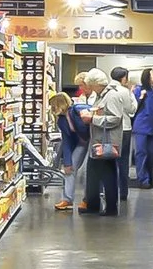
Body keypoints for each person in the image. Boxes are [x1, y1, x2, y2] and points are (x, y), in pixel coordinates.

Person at [82, 71, 126, 215]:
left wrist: (93, 119)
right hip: (99, 141)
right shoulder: (104, 95)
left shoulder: (111, 96)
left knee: (107, 175)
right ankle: (94, 205)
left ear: (96, 84)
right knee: (96, 173)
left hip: (105, 143)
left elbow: (116, 118)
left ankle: (109, 207)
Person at [99, 68, 140, 205]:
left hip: (108, 129)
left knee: (108, 160)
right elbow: (132, 110)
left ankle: (107, 191)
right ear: (124, 78)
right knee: (123, 162)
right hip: (124, 128)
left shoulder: (105, 91)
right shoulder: (124, 91)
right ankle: (123, 192)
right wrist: (133, 96)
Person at [50, 90, 86, 212]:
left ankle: (88, 199)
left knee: (87, 172)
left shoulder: (77, 111)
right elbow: (66, 141)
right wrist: (67, 162)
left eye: (54, 105)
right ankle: (67, 199)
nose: (52, 108)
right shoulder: (61, 121)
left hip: (92, 141)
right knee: (70, 170)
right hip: (81, 144)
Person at [132, 74, 153, 189]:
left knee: (152, 153)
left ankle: (151, 177)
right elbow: (133, 107)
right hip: (141, 125)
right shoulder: (139, 90)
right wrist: (140, 97)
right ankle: (143, 179)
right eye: (152, 74)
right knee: (141, 152)